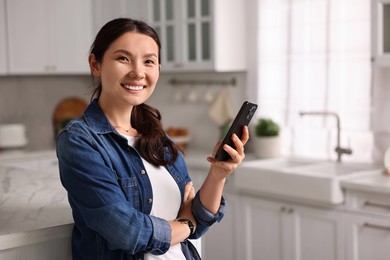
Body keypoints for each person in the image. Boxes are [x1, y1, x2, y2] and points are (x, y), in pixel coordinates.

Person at [56, 18, 249, 260]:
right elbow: (129, 232)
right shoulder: (80, 141)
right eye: (123, 58)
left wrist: (218, 174)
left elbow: (199, 220)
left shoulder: (159, 137)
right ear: (95, 64)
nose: (138, 72)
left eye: (149, 61)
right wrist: (186, 224)